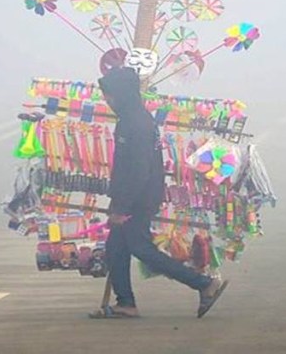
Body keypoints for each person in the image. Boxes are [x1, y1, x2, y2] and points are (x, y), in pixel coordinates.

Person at [89, 66, 228, 319]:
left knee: (142, 249)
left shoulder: (138, 124)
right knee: (116, 249)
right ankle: (126, 303)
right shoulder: (131, 119)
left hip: (138, 201)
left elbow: (139, 171)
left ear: (122, 93)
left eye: (109, 94)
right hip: (130, 199)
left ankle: (203, 283)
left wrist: (122, 208)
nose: (107, 100)